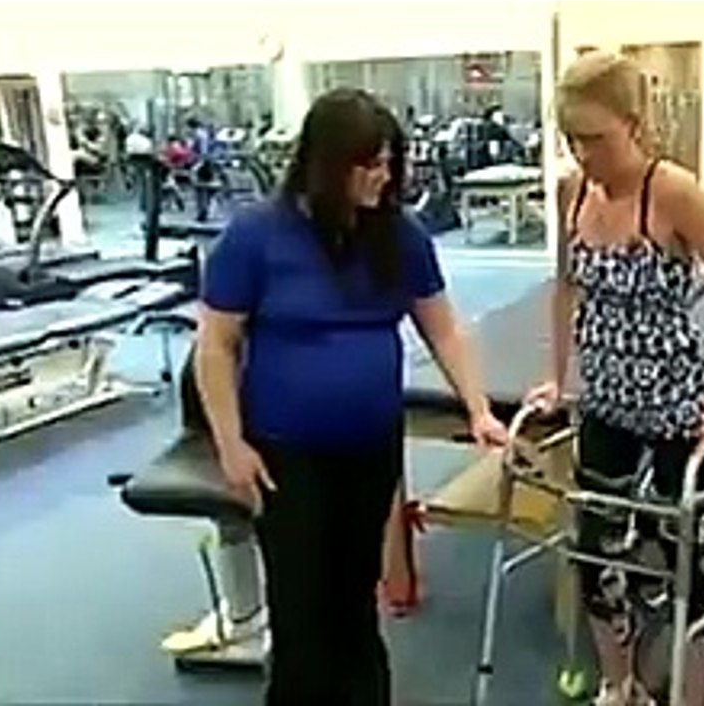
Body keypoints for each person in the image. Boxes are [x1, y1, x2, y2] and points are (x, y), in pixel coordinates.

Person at [195, 87, 509, 705]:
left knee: (353, 605)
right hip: (286, 454)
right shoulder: (257, 235)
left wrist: (477, 407)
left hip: (369, 447)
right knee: (301, 612)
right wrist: (231, 445)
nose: (382, 177)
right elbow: (216, 346)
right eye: (368, 164)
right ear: (327, 164)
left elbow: (441, 326)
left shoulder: (399, 235)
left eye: (389, 163)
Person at [524, 51, 704, 706]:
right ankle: (618, 685)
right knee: (595, 556)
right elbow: (566, 288)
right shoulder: (571, 192)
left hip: (676, 411)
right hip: (604, 404)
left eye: (595, 139)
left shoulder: (674, 193)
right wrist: (555, 377)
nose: (582, 154)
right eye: (571, 139)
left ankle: (698, 689)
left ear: (635, 124)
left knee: (682, 562)